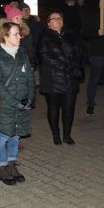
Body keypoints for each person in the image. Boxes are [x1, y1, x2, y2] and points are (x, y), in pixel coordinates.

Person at [0, 22, 34, 185]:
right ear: (5, 36)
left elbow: (30, 77)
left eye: (19, 33)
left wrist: (30, 98)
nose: (19, 37)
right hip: (7, 104)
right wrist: (15, 102)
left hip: (23, 103)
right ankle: (3, 168)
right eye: (15, 34)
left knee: (16, 135)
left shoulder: (22, 54)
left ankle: (11, 164)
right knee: (3, 136)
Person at [37, 12, 84, 145]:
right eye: (54, 18)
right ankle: (56, 134)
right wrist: (63, 65)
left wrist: (76, 65)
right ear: (49, 24)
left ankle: (67, 135)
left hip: (70, 78)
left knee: (69, 108)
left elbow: (79, 52)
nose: (58, 20)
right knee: (53, 108)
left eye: (60, 18)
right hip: (53, 79)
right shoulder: (44, 36)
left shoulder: (70, 35)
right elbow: (43, 56)